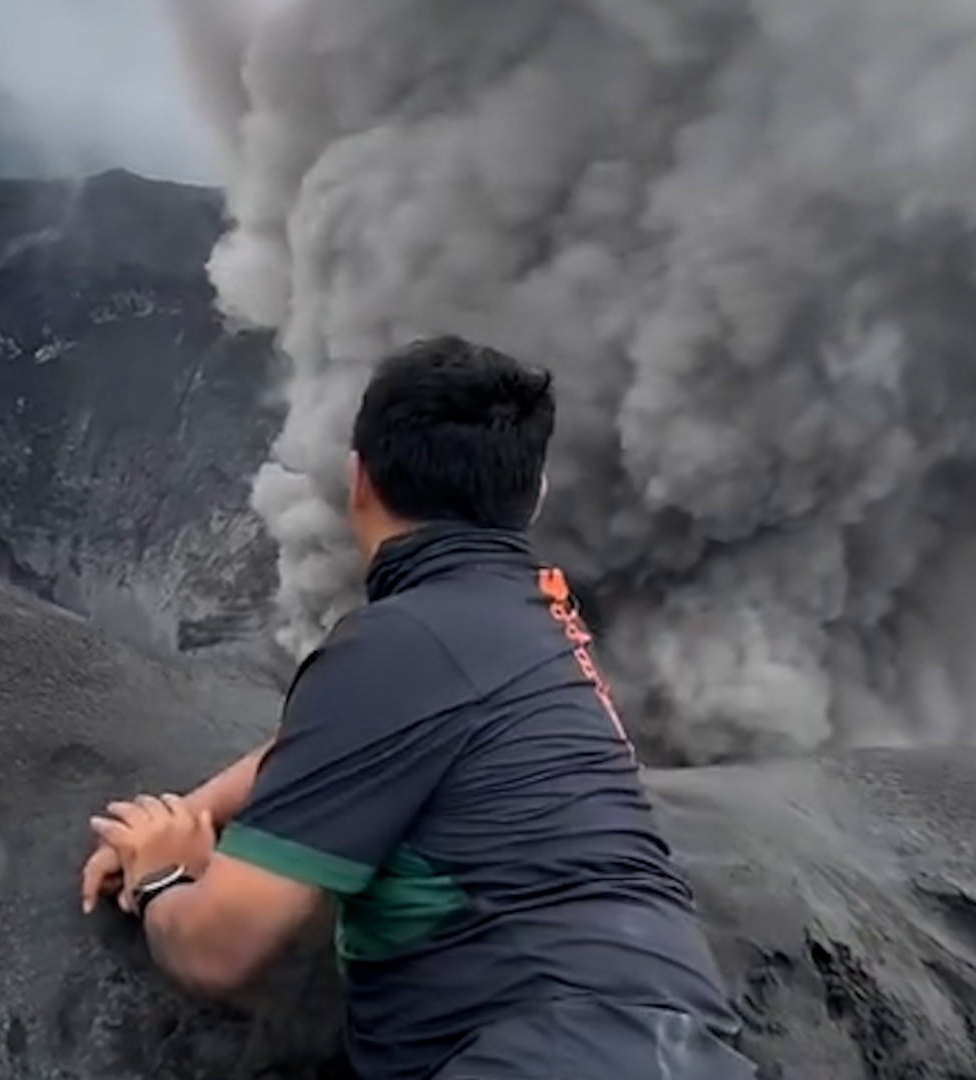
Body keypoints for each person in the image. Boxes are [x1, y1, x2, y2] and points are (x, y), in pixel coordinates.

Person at [78, 335, 757, 1080]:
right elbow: (352, 743)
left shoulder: (396, 644)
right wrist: (199, 808)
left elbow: (220, 947)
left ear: (358, 478)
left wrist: (162, 876)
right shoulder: (538, 624)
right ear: (533, 497)